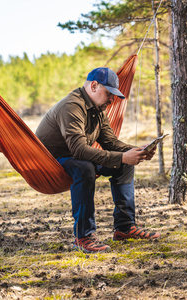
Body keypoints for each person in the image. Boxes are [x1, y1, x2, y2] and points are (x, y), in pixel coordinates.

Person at [36, 67, 160, 253]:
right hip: (51, 163)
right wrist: (123, 156)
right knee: (85, 168)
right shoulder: (71, 106)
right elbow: (78, 149)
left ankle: (125, 228)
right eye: (109, 94)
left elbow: (110, 142)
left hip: (76, 157)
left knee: (123, 165)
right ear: (94, 86)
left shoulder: (98, 108)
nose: (112, 100)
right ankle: (83, 236)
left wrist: (135, 152)